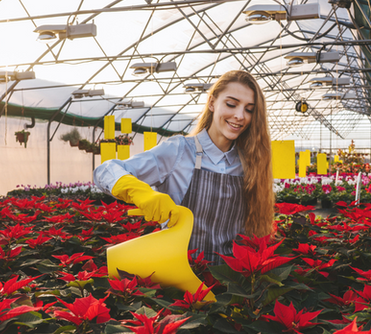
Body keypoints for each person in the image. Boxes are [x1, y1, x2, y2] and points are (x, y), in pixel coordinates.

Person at [93, 70, 274, 262]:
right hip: (180, 274)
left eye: (249, 109)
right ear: (212, 103)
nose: (240, 116)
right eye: (231, 104)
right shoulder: (179, 150)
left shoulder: (251, 162)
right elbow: (105, 171)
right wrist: (140, 192)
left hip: (230, 279)